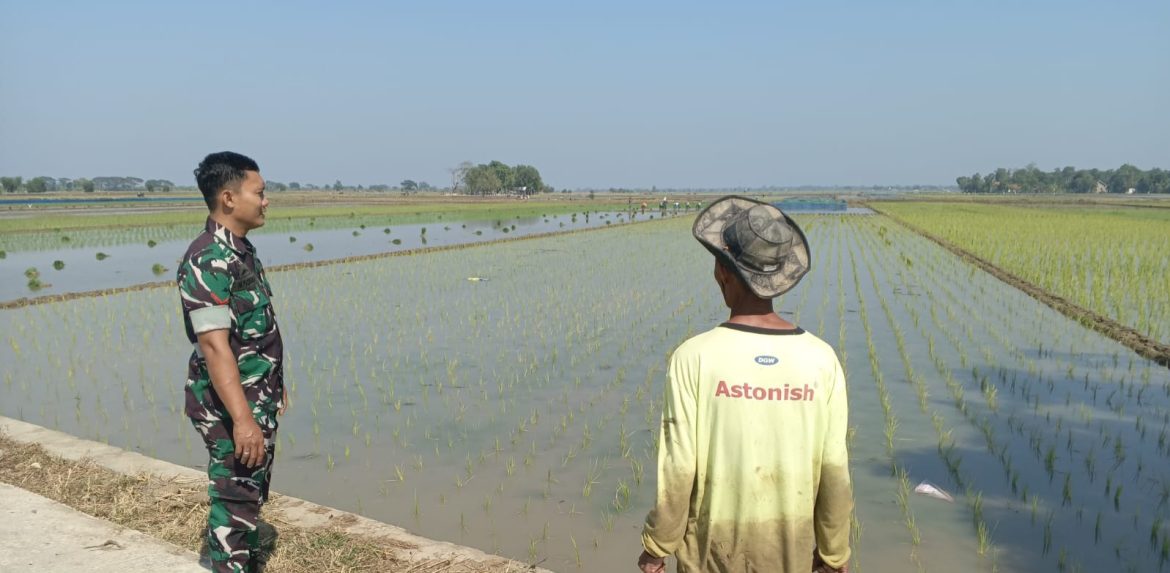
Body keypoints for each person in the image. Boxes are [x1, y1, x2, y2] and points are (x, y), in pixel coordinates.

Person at [638, 195, 852, 573]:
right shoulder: (822, 360)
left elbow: (679, 467)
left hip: (711, 558)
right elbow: (834, 470)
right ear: (779, 279)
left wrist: (658, 546)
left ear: (722, 271)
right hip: (792, 557)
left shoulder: (694, 357)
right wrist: (833, 555)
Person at [178, 151, 286, 573]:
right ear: (228, 198)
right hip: (229, 405)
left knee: (250, 490)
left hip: (254, 396)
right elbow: (215, 347)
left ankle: (244, 561)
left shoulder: (240, 251)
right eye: (259, 192)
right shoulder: (207, 259)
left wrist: (275, 385)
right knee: (234, 498)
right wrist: (242, 420)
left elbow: (253, 331)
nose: (265, 200)